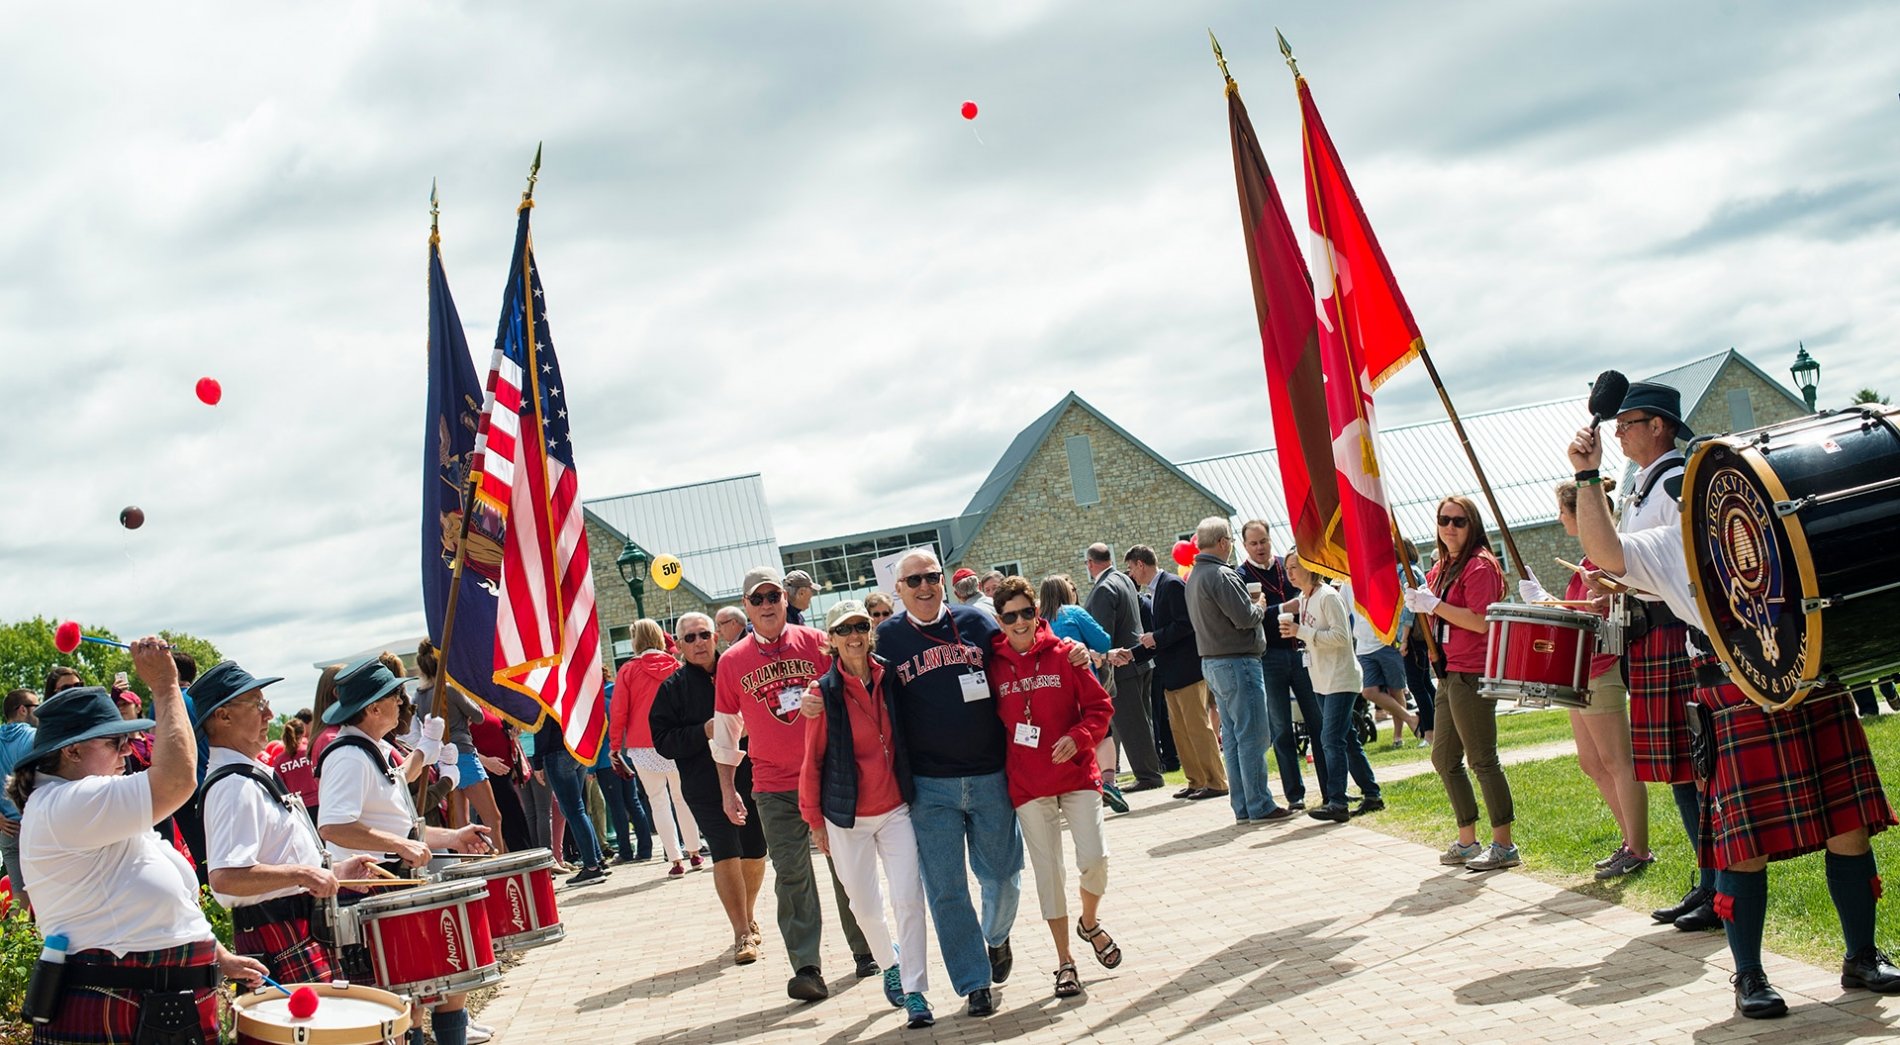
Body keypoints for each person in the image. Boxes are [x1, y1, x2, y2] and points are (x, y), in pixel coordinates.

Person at [1567, 420, 1900, 1018]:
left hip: (1810, 678)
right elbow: (1607, 553)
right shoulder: (1671, 548)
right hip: (1734, 688)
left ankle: (1861, 956)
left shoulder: (1779, 524)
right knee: (1744, 844)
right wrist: (1587, 476)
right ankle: (1748, 976)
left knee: (1847, 823)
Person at [12, 640, 268, 1044]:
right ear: (73, 751)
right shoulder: (65, 802)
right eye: (115, 742)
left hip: (153, 1004)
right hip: (121, 1001)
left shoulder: (92, 807)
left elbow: (152, 899)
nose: (128, 750)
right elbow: (178, 781)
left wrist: (219, 957)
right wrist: (166, 687)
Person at [874, 549, 1048, 1018]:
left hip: (990, 773)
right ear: (899, 588)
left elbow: (1023, 646)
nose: (925, 586)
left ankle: (996, 936)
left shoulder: (976, 622)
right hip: (930, 787)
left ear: (944, 579)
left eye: (932, 576)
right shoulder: (886, 638)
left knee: (1003, 877)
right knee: (947, 889)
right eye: (914, 581)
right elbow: (858, 687)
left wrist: (1064, 648)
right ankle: (974, 983)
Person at [712, 565, 876, 1000]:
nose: (766, 605)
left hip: (828, 776)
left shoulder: (818, 645)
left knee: (846, 868)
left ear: (786, 600)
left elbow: (854, 691)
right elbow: (727, 732)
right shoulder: (731, 662)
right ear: (746, 606)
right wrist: (728, 790)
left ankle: (867, 951)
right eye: (757, 599)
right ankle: (807, 968)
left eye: (773, 597)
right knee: (792, 876)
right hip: (772, 785)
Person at [314, 655, 493, 1045]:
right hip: (366, 889)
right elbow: (333, 824)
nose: (403, 702)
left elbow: (402, 828)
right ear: (373, 708)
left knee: (441, 986)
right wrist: (399, 845)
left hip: (389, 885)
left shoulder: (371, 748)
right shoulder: (347, 756)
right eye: (395, 695)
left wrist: (454, 836)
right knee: (400, 1004)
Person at [1603, 382, 1719, 932]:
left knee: (1693, 765)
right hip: (1651, 636)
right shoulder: (1642, 487)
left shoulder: (1674, 482)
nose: (1619, 432)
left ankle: (1718, 884)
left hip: (1675, 632)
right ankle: (1708, 881)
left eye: (1629, 422)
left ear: (1659, 426)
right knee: (1677, 767)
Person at [798, 601, 936, 1028]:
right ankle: (888, 962)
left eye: (860, 626)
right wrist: (814, 821)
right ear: (832, 640)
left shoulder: (891, 678)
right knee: (864, 905)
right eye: (845, 630)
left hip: (895, 808)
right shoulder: (822, 693)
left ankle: (914, 991)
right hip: (847, 817)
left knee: (909, 898)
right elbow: (812, 760)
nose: (855, 635)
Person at [194, 660, 375, 984]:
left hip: (298, 931)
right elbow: (225, 878)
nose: (268, 713)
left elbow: (277, 859)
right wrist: (305, 874)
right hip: (279, 936)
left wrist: (333, 873)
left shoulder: (249, 776)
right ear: (223, 716)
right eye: (258, 704)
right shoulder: (232, 786)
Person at [987, 577, 1119, 999]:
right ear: (999, 620)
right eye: (1011, 616)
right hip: (1029, 783)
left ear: (1037, 613)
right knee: (1049, 873)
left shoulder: (1066, 655)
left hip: (1077, 773)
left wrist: (1079, 737)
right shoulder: (991, 666)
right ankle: (1065, 961)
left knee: (1094, 857)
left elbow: (1100, 707)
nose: (1021, 622)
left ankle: (1090, 922)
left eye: (1028, 612)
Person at [1520, 479, 1651, 880]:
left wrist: (1548, 603)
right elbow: (1580, 613)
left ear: (1582, 513)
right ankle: (1628, 841)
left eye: (1563, 511)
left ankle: (1639, 849)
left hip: (1601, 669)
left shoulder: (1604, 558)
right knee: (1592, 763)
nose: (1559, 518)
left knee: (1617, 761)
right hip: (1581, 671)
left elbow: (1603, 613)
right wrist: (1548, 602)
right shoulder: (1588, 558)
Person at [1404, 495, 1518, 872]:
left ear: (1473, 526)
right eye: (1444, 520)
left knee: (1482, 758)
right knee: (1444, 758)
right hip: (1450, 671)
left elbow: (1480, 621)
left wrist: (1432, 605)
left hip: (1473, 670)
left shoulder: (1479, 566)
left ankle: (1504, 845)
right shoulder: (1443, 567)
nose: (1450, 527)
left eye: (1459, 521)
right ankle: (1468, 840)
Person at [650, 612, 768, 964]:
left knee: (754, 851)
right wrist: (703, 730)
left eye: (704, 635)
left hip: (752, 776)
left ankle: (748, 914)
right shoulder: (672, 689)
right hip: (704, 785)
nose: (698, 642)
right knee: (725, 851)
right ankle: (741, 933)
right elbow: (662, 741)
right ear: (679, 644)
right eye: (690, 638)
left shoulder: (738, 669)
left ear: (716, 637)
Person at [1186, 517, 1293, 825]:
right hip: (1237, 661)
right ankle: (1259, 803)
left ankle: (1244, 804)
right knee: (1253, 736)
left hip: (1213, 662)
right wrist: (1259, 603)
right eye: (1231, 540)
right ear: (1223, 543)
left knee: (1232, 738)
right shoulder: (1222, 574)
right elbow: (1245, 618)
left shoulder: (1194, 576)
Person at [1235, 520, 1327, 810]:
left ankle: (1330, 789)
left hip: (1301, 651)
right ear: (1245, 545)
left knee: (1318, 721)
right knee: (1281, 728)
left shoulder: (1286, 566)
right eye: (1254, 543)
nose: (1260, 548)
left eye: (1264, 541)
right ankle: (1295, 795)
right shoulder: (1240, 576)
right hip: (1270, 656)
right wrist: (1282, 609)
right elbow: (1247, 617)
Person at [1283, 556, 1381, 822]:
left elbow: (1341, 636)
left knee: (1330, 739)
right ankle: (1372, 794)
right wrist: (1300, 633)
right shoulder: (1304, 599)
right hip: (1321, 679)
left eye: (1294, 567)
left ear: (1310, 568)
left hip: (1340, 678)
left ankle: (1337, 801)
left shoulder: (1327, 597)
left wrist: (1301, 631)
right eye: (1288, 568)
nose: (1289, 572)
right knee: (1346, 738)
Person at [1124, 546, 1225, 800]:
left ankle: (1216, 782)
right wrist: (1132, 654)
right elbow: (1158, 640)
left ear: (1140, 564)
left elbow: (1186, 624)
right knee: (1180, 731)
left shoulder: (1171, 585)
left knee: (1198, 729)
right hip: (1171, 674)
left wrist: (1154, 638)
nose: (1131, 575)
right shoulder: (1155, 591)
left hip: (1187, 671)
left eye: (1131, 569)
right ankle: (1195, 780)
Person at [612, 621, 700, 873]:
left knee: (658, 802)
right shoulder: (676, 666)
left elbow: (619, 711)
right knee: (683, 799)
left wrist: (615, 745)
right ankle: (694, 851)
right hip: (675, 741)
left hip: (642, 745)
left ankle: (675, 859)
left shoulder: (628, 670)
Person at [1039, 575, 1125, 811]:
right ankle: (1108, 783)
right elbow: (1105, 641)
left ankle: (1069, 792)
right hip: (1083, 686)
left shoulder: (1036, 622)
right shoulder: (1073, 613)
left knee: (1065, 739)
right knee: (1102, 734)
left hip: (1051, 691)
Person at [1083, 543, 1163, 793]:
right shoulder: (1124, 579)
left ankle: (1148, 775)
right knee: (1144, 719)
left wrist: (1099, 657)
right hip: (1139, 659)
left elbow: (1102, 635)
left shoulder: (1103, 589)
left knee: (1132, 722)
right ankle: (1151, 769)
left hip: (1121, 664)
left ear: (1090, 563)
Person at [415, 643, 506, 852]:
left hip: (442, 758)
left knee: (460, 825)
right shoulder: (449, 690)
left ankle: (469, 868)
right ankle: (501, 867)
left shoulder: (419, 696)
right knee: (493, 818)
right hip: (463, 754)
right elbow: (479, 716)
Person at [531, 712, 610, 885]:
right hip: (577, 750)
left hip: (558, 753)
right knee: (578, 810)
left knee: (574, 811)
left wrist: (537, 763)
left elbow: (541, 729)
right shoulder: (567, 691)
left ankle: (592, 867)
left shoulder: (546, 697)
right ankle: (597, 859)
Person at [1, 688, 40, 915]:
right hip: (35, 828)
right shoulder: (36, 738)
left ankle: (15, 950)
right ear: (23, 709)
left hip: (7, 829)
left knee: (19, 895)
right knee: (49, 891)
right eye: (36, 706)